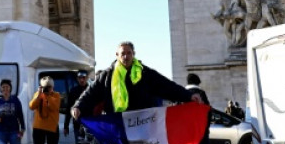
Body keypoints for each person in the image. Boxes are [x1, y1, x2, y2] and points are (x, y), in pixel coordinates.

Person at [71, 41, 202, 120]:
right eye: (123, 53)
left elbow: (167, 86)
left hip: (142, 125)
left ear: (134, 54)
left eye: (129, 53)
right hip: (119, 124)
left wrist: (189, 96)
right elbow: (90, 94)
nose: (126, 56)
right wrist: (78, 106)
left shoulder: (145, 73)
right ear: (117, 55)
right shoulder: (106, 76)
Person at [0, 79, 26, 144]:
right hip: (0, 132)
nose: (5, 89)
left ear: (10, 88)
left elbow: (20, 115)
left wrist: (22, 128)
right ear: (1, 89)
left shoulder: (15, 100)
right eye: (3, 87)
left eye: (7, 87)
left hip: (14, 132)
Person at [29, 76, 61, 144]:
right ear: (41, 87)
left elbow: (54, 107)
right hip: (39, 127)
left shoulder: (56, 95)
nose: (47, 89)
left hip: (52, 128)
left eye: (49, 87)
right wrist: (39, 95)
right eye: (45, 87)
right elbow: (31, 106)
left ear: (52, 87)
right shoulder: (38, 94)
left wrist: (47, 96)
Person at [185, 73, 210, 144]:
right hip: (200, 130)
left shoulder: (182, 94)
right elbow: (208, 111)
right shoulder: (201, 93)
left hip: (186, 132)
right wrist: (207, 127)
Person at [63, 70, 89, 141]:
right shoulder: (73, 91)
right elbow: (69, 108)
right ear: (77, 79)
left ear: (87, 78)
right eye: (80, 78)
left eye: (84, 77)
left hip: (89, 124)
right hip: (77, 125)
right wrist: (66, 126)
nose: (82, 80)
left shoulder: (91, 89)